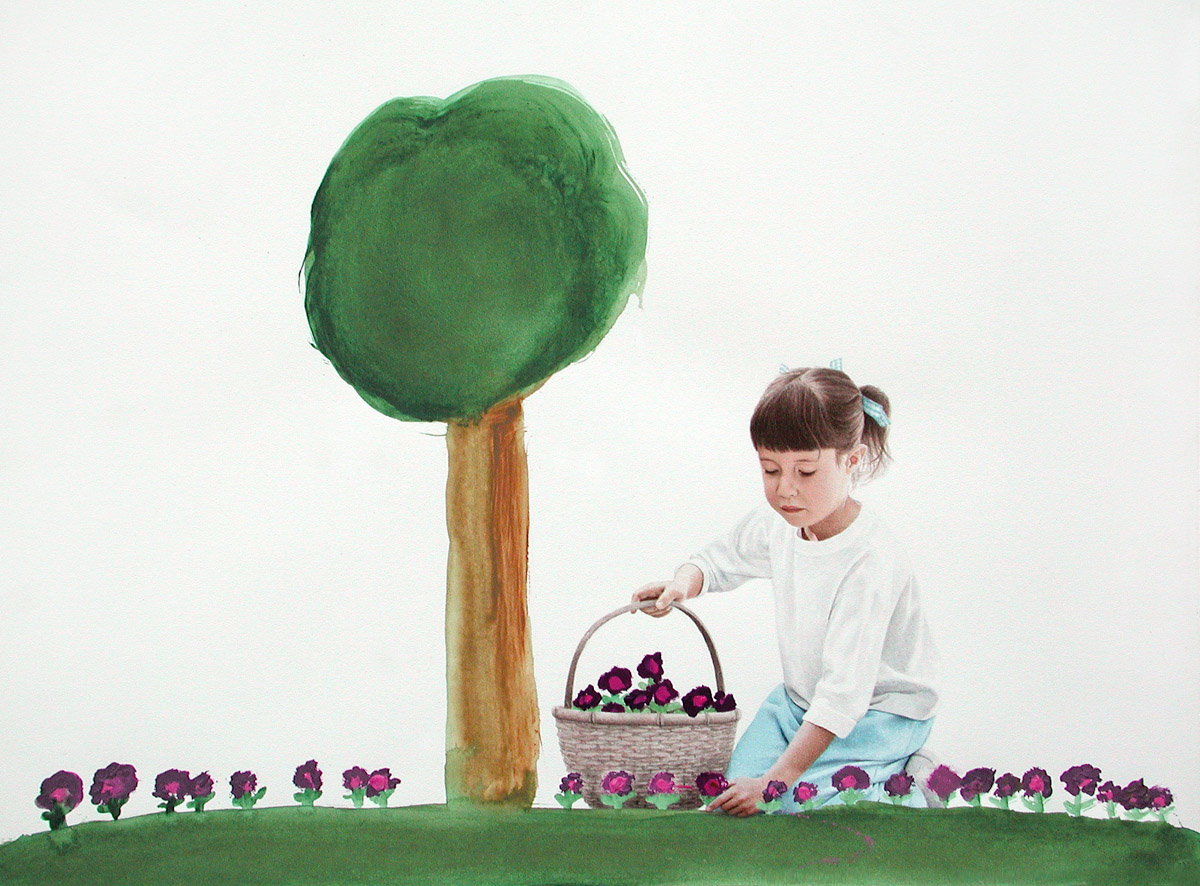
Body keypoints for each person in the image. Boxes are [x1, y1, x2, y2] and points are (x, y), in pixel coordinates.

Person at [631, 365, 939, 815]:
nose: (786, 489)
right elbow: (720, 559)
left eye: (806, 471)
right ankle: (844, 778)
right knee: (733, 793)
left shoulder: (870, 559)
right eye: (770, 469)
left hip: (880, 717)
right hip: (798, 705)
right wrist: (683, 583)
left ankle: (909, 781)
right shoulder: (782, 523)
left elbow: (843, 697)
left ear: (851, 460)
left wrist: (773, 783)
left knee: (796, 805)